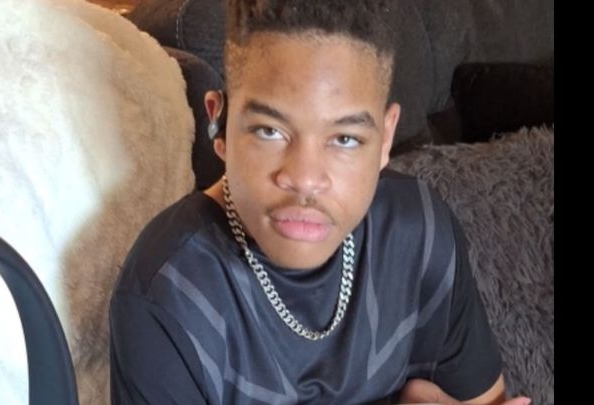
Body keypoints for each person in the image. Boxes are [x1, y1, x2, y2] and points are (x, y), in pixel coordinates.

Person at [109, 1, 531, 404]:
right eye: (270, 131)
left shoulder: (418, 233)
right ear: (219, 125)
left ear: (385, 138)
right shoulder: (169, 289)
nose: (305, 180)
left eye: (345, 138)